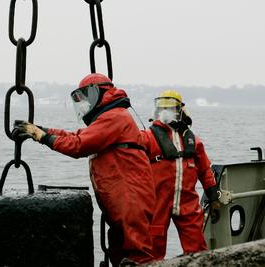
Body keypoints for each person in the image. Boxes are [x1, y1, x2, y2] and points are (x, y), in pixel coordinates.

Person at [13, 73, 155, 266]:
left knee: (137, 250)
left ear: (98, 94)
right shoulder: (109, 119)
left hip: (130, 194)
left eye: (86, 97)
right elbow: (76, 136)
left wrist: (42, 137)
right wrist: (42, 129)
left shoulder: (115, 117)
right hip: (122, 195)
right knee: (121, 248)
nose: (84, 104)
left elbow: (78, 145)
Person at [140, 89, 220, 260]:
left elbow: (205, 170)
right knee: (153, 246)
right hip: (157, 201)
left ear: (179, 110)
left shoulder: (193, 140)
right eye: (162, 109)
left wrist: (213, 197)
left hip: (187, 201)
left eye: (169, 108)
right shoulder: (147, 137)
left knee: (197, 247)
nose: (165, 113)